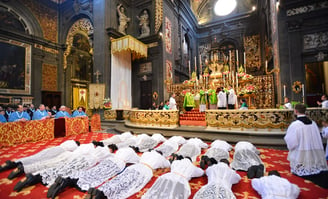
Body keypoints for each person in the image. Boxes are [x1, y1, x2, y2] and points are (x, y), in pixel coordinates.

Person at [284, 103, 328, 188]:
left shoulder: (295, 125)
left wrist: (291, 147)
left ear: (295, 111)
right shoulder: (313, 123)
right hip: (313, 152)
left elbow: (291, 141)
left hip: (301, 152)